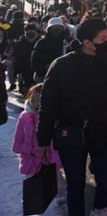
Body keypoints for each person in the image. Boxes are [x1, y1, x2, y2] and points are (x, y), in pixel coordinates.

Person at [36, 18, 107, 216]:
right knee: (76, 183)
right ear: (87, 42)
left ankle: (99, 208)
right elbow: (48, 105)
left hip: (103, 133)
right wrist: (43, 138)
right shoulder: (61, 65)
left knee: (106, 178)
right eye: (103, 38)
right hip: (70, 134)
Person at [12, 84, 67, 213]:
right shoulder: (24, 116)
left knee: (57, 180)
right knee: (31, 179)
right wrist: (18, 147)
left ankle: (63, 197)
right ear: (29, 98)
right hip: (30, 157)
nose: (36, 103)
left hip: (48, 156)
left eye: (40, 100)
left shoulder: (52, 118)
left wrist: (56, 157)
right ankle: (32, 201)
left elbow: (55, 140)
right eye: (34, 100)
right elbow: (19, 134)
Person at [31, 17, 67, 83]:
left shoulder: (66, 42)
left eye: (59, 28)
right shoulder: (41, 43)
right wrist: (45, 69)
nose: (57, 31)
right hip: (44, 77)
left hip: (63, 77)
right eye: (54, 28)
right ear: (49, 30)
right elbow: (35, 61)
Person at [14, 23, 39, 95]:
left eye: (32, 30)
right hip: (24, 68)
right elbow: (18, 57)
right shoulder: (20, 42)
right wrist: (17, 70)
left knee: (36, 88)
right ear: (25, 31)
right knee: (26, 88)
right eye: (28, 30)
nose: (30, 32)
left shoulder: (40, 41)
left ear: (35, 31)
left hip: (36, 68)